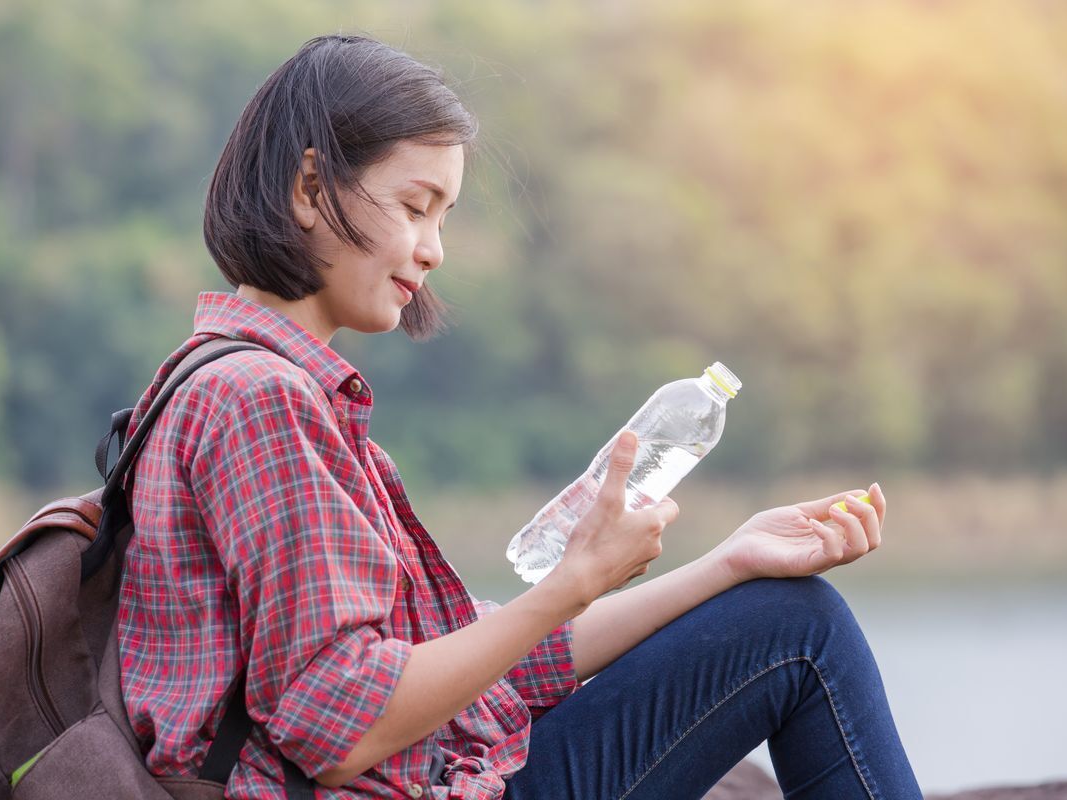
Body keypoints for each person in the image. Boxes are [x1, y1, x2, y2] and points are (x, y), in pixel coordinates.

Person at [118, 34, 923, 800]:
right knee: (799, 631)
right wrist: (570, 582)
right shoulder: (262, 399)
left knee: (780, 607)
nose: (433, 249)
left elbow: (479, 669)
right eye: (415, 205)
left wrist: (729, 565)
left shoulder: (244, 383)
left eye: (445, 216)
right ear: (308, 188)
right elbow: (343, 733)